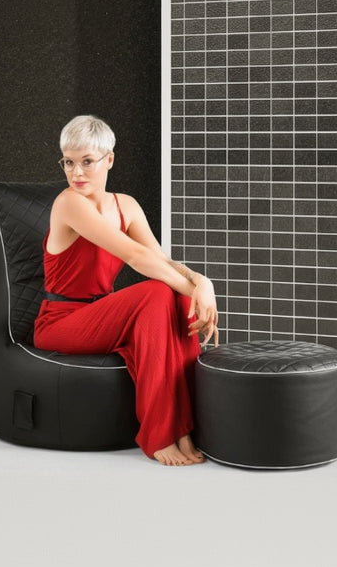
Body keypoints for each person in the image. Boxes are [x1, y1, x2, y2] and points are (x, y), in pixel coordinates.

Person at [33, 115, 220, 466]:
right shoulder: (69, 203)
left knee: (170, 291)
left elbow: (161, 260)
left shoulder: (126, 206)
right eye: (69, 162)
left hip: (99, 314)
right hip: (60, 321)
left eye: (87, 161)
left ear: (109, 160)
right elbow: (135, 256)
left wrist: (201, 283)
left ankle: (184, 429)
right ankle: (160, 434)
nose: (77, 173)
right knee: (156, 290)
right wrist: (194, 290)